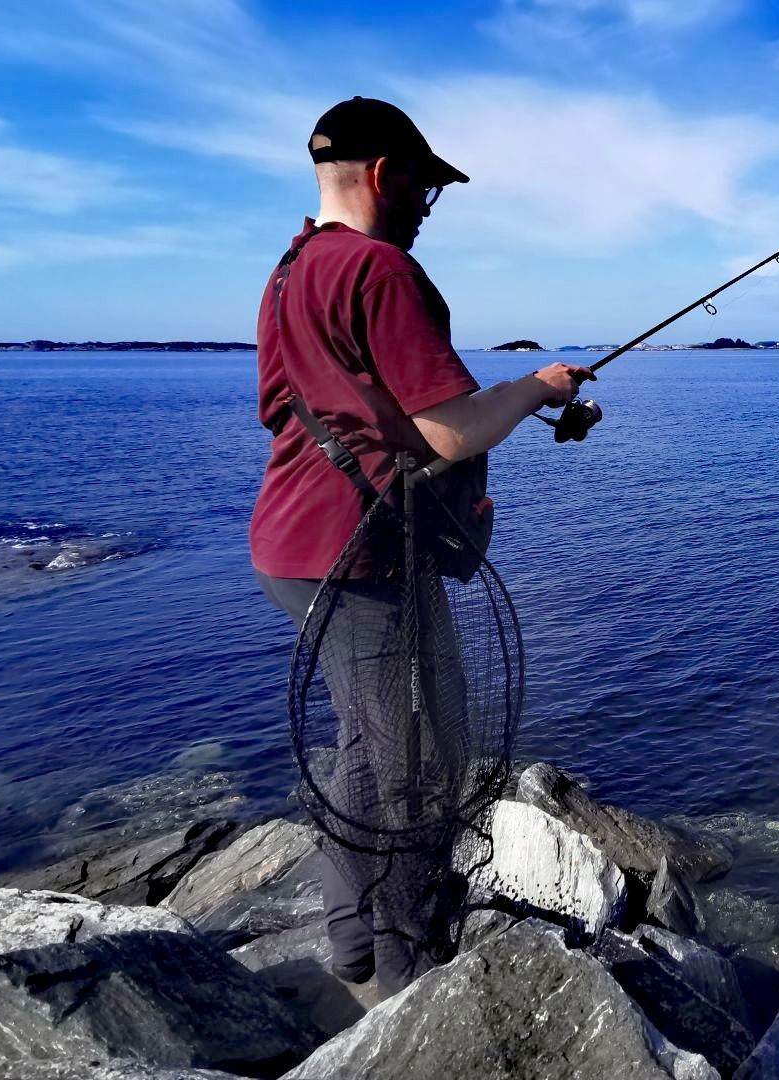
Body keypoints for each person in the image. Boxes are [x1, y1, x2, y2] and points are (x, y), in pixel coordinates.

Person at [249, 96, 590, 996]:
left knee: (368, 743)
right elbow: (448, 431)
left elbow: (302, 410)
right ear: (383, 176)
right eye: (425, 189)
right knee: (421, 764)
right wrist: (536, 386)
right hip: (361, 557)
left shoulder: (290, 271)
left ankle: (353, 943)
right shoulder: (380, 271)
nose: (425, 208)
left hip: (294, 544)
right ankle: (407, 973)